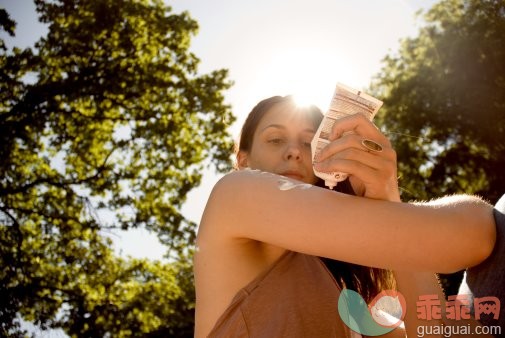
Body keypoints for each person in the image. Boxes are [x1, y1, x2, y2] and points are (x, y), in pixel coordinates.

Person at [194, 95, 496, 337]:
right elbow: (475, 232)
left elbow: (435, 332)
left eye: (309, 142)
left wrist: (387, 196)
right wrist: (394, 215)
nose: (294, 152)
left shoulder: (351, 302)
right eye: (275, 139)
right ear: (243, 160)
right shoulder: (236, 193)